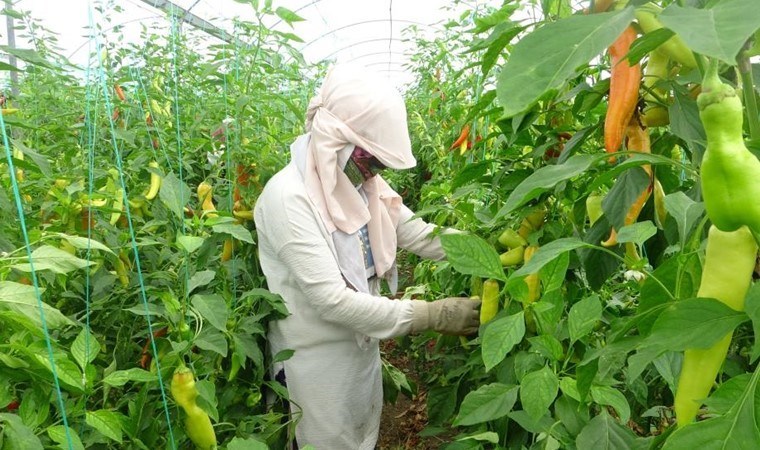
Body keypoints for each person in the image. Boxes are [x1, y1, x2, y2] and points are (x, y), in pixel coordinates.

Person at [253, 64, 481, 450]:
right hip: (314, 364)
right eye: (371, 160)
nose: (375, 173)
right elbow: (332, 300)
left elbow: (417, 233)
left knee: (361, 437)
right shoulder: (288, 199)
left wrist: (483, 250)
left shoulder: (358, 182)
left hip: (361, 344)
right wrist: (431, 314)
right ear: (335, 140)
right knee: (322, 441)